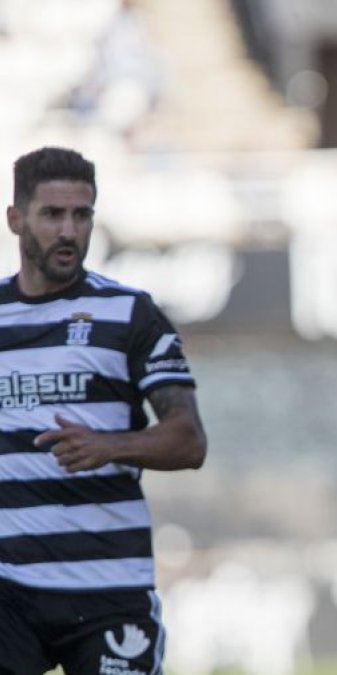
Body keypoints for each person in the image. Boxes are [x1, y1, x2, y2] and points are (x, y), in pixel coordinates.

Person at [0, 147, 207, 674]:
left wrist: (108, 446)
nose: (69, 231)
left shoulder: (131, 314)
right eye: (52, 215)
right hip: (10, 591)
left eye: (82, 214)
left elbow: (188, 439)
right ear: (16, 219)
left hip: (108, 591)